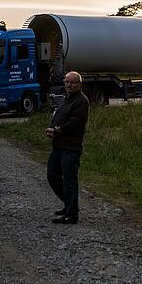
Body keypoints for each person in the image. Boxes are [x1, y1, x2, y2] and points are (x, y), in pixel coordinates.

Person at [46, 71, 89, 225]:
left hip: (71, 148)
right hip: (58, 146)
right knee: (52, 175)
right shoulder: (65, 99)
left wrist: (58, 130)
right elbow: (57, 115)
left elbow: (76, 122)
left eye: (72, 82)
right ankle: (69, 205)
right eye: (67, 82)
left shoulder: (81, 101)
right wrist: (51, 128)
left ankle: (71, 215)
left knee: (70, 181)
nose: (69, 85)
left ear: (79, 84)